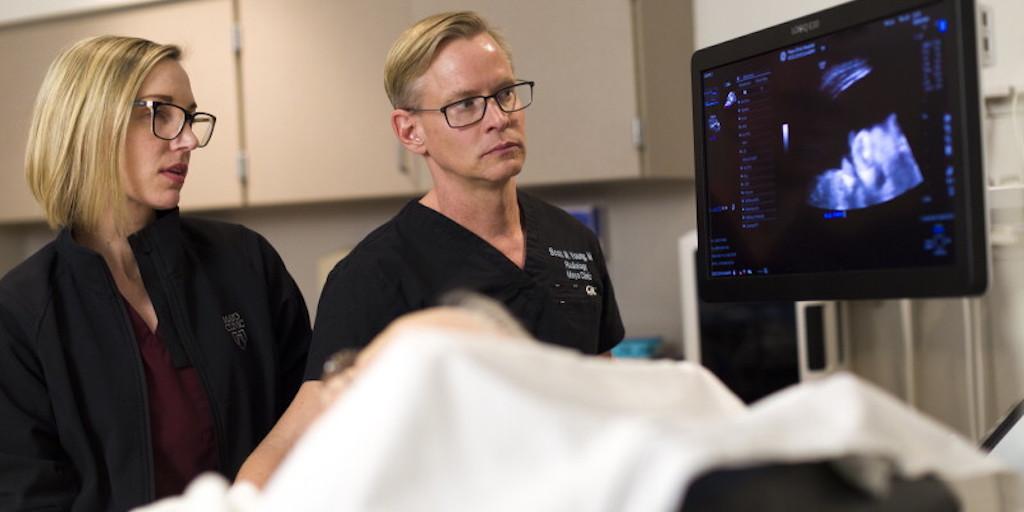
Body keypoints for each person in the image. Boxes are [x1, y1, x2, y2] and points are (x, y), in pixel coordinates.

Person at [234, 10, 624, 486]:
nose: (499, 118)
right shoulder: (373, 276)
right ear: (410, 132)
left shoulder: (574, 242)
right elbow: (287, 446)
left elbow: (609, 395)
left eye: (505, 93)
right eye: (464, 105)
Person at [0, 35, 311, 511]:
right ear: (91, 123)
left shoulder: (246, 262)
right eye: (160, 113)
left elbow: (311, 429)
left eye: (189, 116)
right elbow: (30, 495)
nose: (187, 139)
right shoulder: (21, 314)